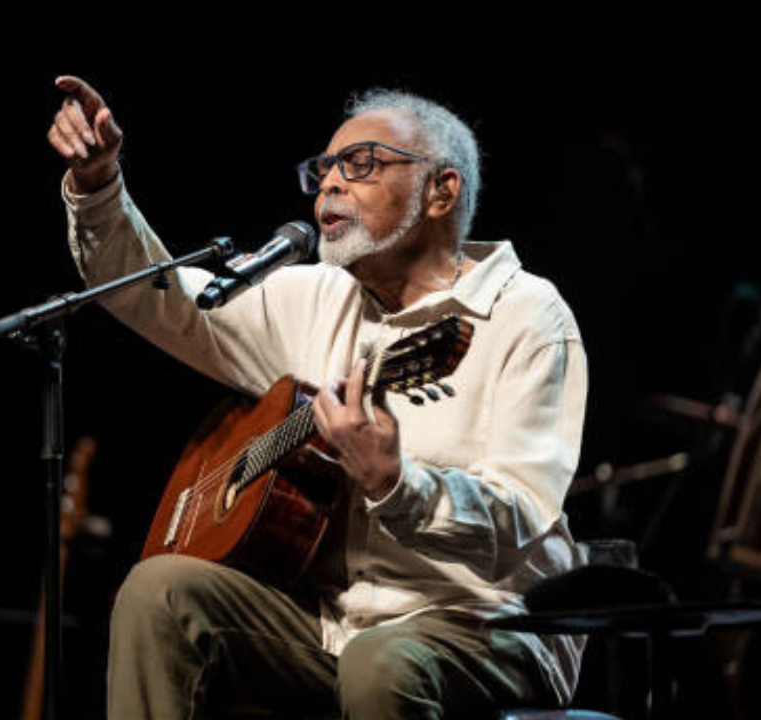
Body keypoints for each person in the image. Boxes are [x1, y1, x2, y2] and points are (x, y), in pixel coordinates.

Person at [49, 75, 588, 719]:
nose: (330, 182)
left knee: (380, 665)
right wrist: (99, 186)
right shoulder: (316, 294)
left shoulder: (525, 313)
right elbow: (162, 300)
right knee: (158, 591)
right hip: (336, 622)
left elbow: (523, 514)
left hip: (487, 623)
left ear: (441, 191)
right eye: (324, 168)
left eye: (360, 164)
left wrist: (397, 484)